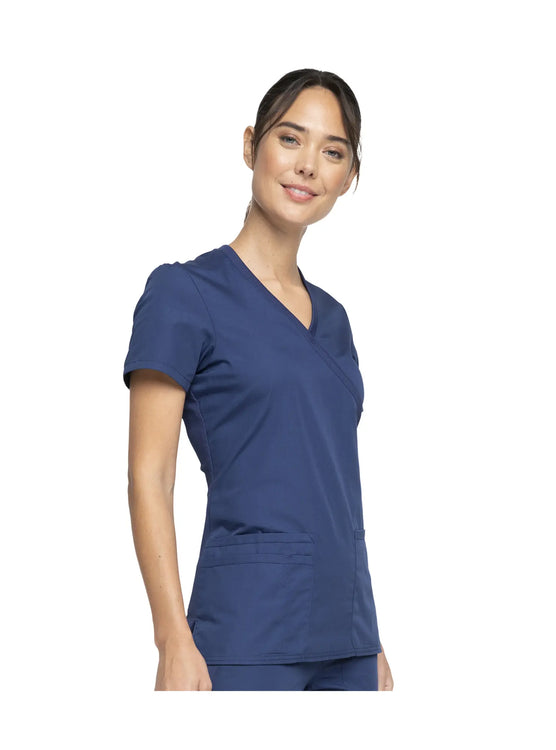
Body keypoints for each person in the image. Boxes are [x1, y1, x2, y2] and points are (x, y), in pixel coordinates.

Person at [123, 68, 394, 691]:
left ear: (349, 176)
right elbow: (149, 475)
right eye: (290, 139)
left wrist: (372, 638)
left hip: (350, 636)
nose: (308, 166)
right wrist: (172, 638)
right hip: (248, 628)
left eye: (333, 152)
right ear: (251, 145)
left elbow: (334, 489)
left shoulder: (334, 319)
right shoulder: (184, 294)